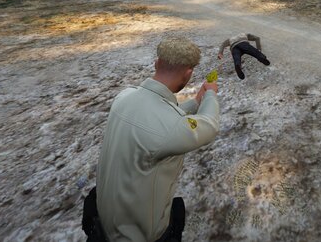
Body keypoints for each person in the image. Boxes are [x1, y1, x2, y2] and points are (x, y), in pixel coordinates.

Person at [84, 37, 221, 241]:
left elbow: (161, 122)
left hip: (103, 226)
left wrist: (196, 101)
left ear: (156, 64)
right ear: (188, 73)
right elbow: (209, 125)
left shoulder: (124, 97)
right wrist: (210, 95)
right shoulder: (168, 127)